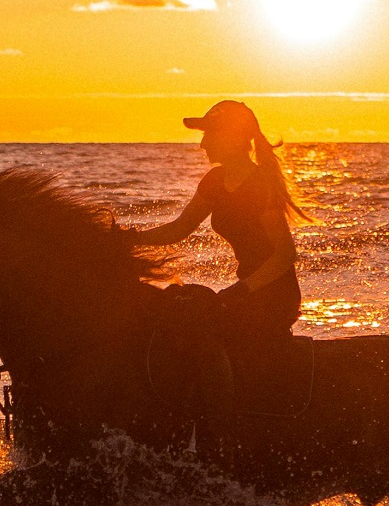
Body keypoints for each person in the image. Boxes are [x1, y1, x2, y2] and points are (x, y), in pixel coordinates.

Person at [129, 100, 312, 341]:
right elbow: (180, 227)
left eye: (210, 134)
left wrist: (239, 291)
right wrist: (129, 239)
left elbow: (285, 254)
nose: (203, 143)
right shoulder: (215, 181)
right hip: (244, 291)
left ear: (234, 138)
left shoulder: (260, 185)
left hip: (275, 296)